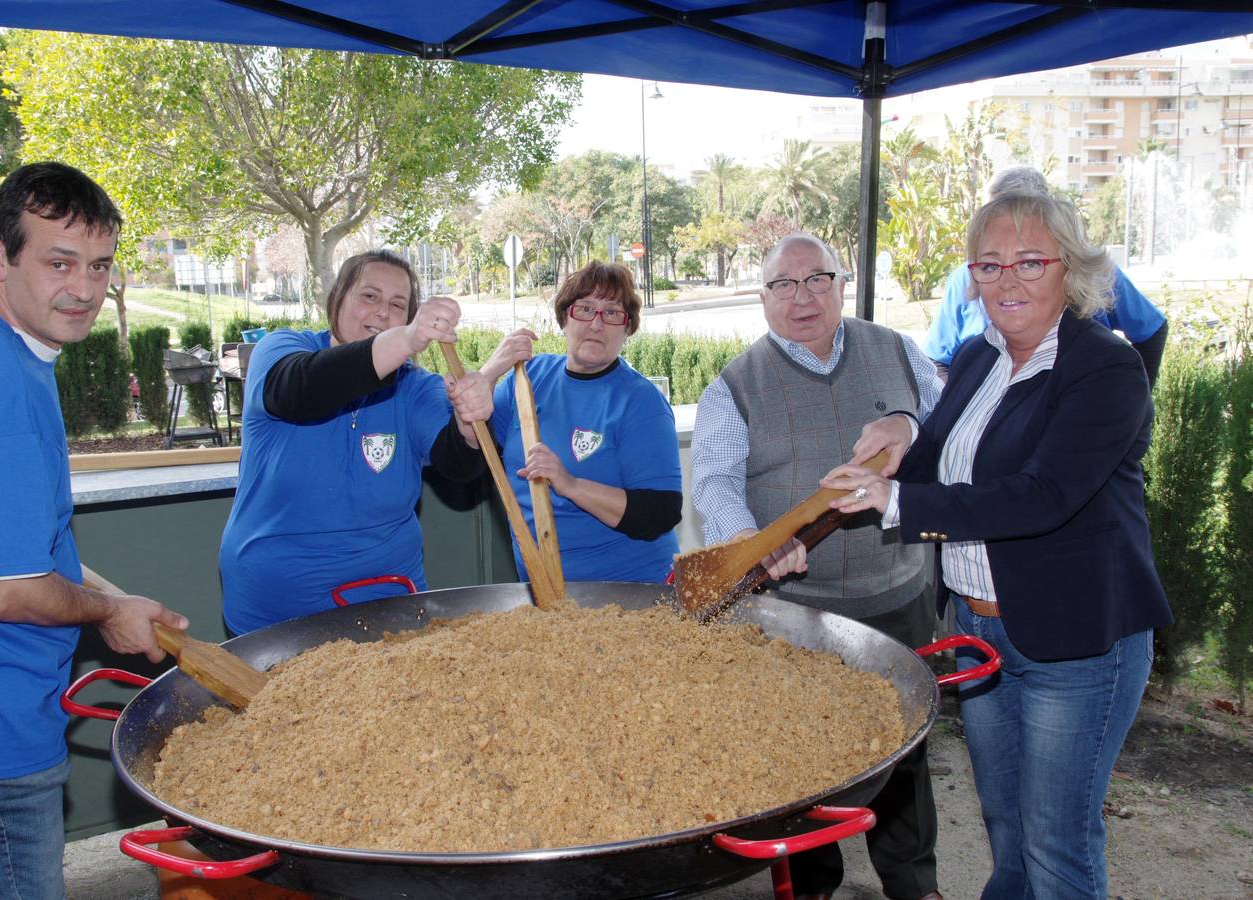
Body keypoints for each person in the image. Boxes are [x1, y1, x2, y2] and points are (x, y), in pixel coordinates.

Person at [823, 191, 1172, 899]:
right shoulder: (982, 353)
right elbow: (946, 445)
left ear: (1069, 268)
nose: (1006, 281)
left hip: (1075, 644)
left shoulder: (1104, 368)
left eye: (1029, 262)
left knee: (1057, 846)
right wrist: (898, 434)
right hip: (980, 631)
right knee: (1006, 828)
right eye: (988, 265)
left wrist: (899, 502)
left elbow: (1042, 496)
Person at [0, 162, 189, 899]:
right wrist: (108, 611)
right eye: (59, 262)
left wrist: (108, 595)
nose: (86, 289)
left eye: (98, 265)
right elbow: (1, 592)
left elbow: (6, 541)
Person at [691, 233, 945, 900]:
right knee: (803, 757)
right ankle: (810, 886)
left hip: (895, 592)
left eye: (816, 280)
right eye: (783, 284)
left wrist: (909, 425)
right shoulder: (734, 385)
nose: (801, 297)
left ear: (841, 283)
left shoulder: (896, 350)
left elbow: (948, 422)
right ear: (762, 296)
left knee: (904, 757)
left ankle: (914, 884)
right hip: (797, 611)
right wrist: (750, 541)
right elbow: (714, 481)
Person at [219, 250, 492, 635]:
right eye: (369, 296)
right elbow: (300, 389)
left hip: (391, 604)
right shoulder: (282, 350)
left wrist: (469, 423)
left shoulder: (414, 387)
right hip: (276, 614)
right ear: (337, 300)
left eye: (398, 305)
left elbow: (458, 464)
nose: (383, 312)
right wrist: (406, 338)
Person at [475, 261, 681, 583]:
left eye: (612, 313)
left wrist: (570, 484)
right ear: (564, 317)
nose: (597, 324)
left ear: (628, 327)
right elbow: (475, 444)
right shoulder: (530, 377)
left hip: (631, 592)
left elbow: (660, 513)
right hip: (545, 592)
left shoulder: (640, 402)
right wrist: (488, 373)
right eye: (585, 309)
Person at [922, 165, 1167, 385]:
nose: (1008, 281)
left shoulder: (1099, 274)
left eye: (1030, 263)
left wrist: (1138, 394)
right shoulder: (965, 279)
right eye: (993, 215)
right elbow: (936, 360)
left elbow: (1150, 329)